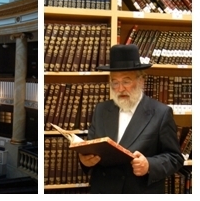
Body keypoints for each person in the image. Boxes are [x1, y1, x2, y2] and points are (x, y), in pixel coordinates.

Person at [79, 44, 184, 193]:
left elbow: (175, 158)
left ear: (141, 81)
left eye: (126, 81)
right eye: (114, 82)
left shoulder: (161, 113)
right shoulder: (101, 109)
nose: (120, 88)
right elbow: (90, 148)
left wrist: (149, 164)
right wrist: (85, 160)